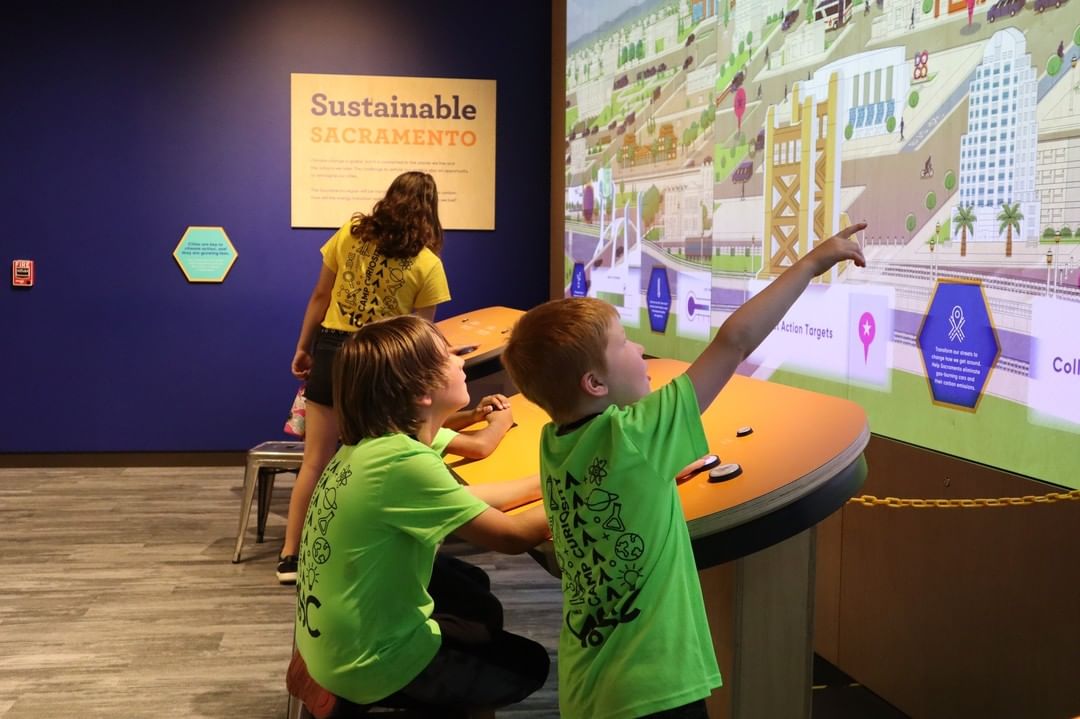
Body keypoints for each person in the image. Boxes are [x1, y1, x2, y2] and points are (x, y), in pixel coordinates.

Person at [501, 224, 867, 719]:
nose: (639, 352)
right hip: (654, 687)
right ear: (594, 383)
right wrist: (809, 265)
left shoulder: (555, 442)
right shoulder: (636, 435)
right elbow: (735, 341)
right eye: (624, 344)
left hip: (589, 684)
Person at [288, 315, 551, 718]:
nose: (463, 361)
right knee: (527, 663)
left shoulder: (373, 446)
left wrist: (555, 479)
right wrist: (608, 488)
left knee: (471, 587)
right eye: (449, 357)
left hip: (330, 646)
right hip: (362, 663)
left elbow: (467, 498)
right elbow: (514, 537)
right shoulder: (402, 461)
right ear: (422, 393)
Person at [279, 171, 451, 584]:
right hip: (381, 363)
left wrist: (304, 347)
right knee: (373, 462)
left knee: (314, 462)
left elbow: (320, 296)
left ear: (389, 199)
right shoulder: (428, 264)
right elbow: (416, 338)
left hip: (333, 350)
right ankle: (359, 550)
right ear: (431, 211)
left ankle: (290, 557)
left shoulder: (349, 235)